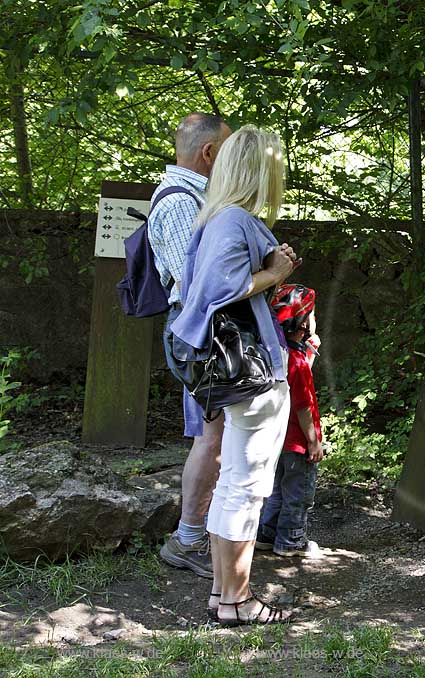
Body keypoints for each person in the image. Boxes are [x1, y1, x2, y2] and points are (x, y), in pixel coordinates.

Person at [171, 125, 300, 625]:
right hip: (250, 373)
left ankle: (224, 597)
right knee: (244, 487)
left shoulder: (214, 218)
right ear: (262, 171)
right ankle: (237, 602)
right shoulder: (231, 221)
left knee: (234, 483)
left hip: (236, 372)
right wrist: (275, 275)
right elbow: (217, 291)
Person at [152, 113, 233, 579]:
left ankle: (202, 532)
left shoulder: (192, 198)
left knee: (213, 437)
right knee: (211, 440)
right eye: (228, 152)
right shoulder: (184, 203)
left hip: (202, 332)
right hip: (200, 334)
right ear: (208, 154)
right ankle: (187, 539)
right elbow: (199, 283)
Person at [256, 284, 325, 558]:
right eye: (313, 316)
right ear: (303, 322)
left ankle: (267, 534)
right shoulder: (297, 361)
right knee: (299, 495)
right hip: (298, 443)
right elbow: (303, 404)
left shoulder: (279, 356)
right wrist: (314, 441)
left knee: (276, 492)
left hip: (276, 440)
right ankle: (291, 541)